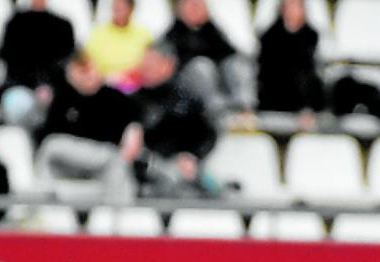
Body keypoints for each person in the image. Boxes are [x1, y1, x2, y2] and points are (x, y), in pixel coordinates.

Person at [36, 54, 144, 204]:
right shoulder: (62, 97)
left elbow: (132, 140)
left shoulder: (117, 99)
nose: (87, 75)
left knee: (118, 166)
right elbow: (48, 140)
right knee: (52, 144)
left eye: (90, 69)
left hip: (103, 161)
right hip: (67, 160)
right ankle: (40, 208)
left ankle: (117, 221)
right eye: (81, 70)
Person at [130, 44, 219, 197]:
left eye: (151, 63)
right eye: (143, 63)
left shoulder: (187, 100)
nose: (145, 68)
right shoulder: (133, 101)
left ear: (169, 64)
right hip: (147, 165)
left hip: (182, 165)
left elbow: (205, 135)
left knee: (190, 177)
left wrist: (190, 156)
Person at [162, 0, 255, 116]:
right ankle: (219, 112)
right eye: (191, 5)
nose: (196, 9)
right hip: (187, 89)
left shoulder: (213, 31)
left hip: (218, 80)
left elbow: (229, 54)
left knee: (237, 63)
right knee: (201, 66)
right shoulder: (172, 36)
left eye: (199, 5)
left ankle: (245, 109)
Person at [257, 0, 325, 127]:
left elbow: (312, 75)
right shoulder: (269, 38)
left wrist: (309, 107)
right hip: (274, 98)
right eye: (289, 6)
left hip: (306, 100)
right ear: (282, 9)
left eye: (297, 6)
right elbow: (265, 75)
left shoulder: (312, 37)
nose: (293, 10)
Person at [0, 0, 76, 96]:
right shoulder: (15, 24)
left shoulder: (63, 26)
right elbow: (9, 58)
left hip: (54, 89)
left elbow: (67, 60)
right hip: (19, 86)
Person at [85, 0, 152, 88]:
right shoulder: (98, 33)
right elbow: (89, 59)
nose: (118, 11)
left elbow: (149, 61)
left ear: (131, 9)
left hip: (136, 85)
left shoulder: (143, 33)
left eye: (122, 8)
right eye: (116, 8)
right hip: (104, 84)